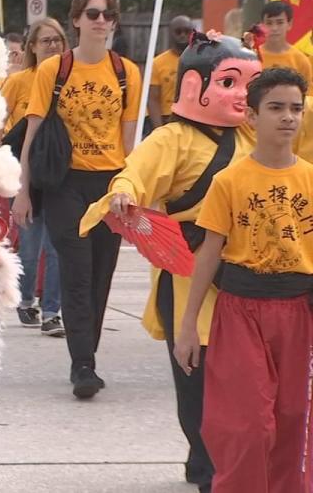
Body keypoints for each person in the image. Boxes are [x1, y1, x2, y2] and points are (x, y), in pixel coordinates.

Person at [80, 32, 261, 492]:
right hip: (190, 272)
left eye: (250, 84)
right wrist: (123, 195)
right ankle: (206, 466)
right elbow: (134, 174)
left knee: (238, 382)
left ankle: (213, 458)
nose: (243, 95)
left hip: (245, 274)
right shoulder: (171, 138)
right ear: (193, 86)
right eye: (229, 82)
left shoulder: (253, 135)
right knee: (195, 379)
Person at [175, 67, 313, 493]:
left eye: (295, 108)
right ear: (251, 116)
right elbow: (209, 255)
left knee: (294, 420)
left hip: (299, 312)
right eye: (276, 108)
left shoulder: (310, 177)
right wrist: (187, 326)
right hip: (239, 312)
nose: (288, 117)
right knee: (246, 425)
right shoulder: (229, 181)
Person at [13, 0, 141, 399]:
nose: (101, 21)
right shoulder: (55, 69)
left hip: (109, 183)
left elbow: (129, 141)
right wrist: (23, 191)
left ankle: (88, 353)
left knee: (101, 274)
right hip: (66, 182)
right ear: (77, 20)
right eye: (93, 14)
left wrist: (133, 188)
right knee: (76, 270)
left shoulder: (127, 72)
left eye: (108, 15)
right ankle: (82, 364)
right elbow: (32, 132)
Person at [0, 17, 68, 336]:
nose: (53, 45)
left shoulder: (72, 79)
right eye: (46, 41)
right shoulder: (19, 81)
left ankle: (52, 311)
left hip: (61, 171)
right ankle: (26, 298)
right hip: (27, 169)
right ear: (32, 48)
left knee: (55, 245)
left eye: (57, 40)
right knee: (29, 243)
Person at [148, 15, 194, 128]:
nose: (182, 35)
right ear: (170, 33)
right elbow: (153, 99)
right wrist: (159, 129)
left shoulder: (203, 59)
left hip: (195, 119)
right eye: (178, 32)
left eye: (187, 31)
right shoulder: (157, 63)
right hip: (168, 119)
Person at [258, 1, 313, 91]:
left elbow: (307, 97)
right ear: (262, 26)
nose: (274, 28)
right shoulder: (252, 56)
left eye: (280, 23)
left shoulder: (300, 60)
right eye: (269, 23)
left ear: (289, 24)